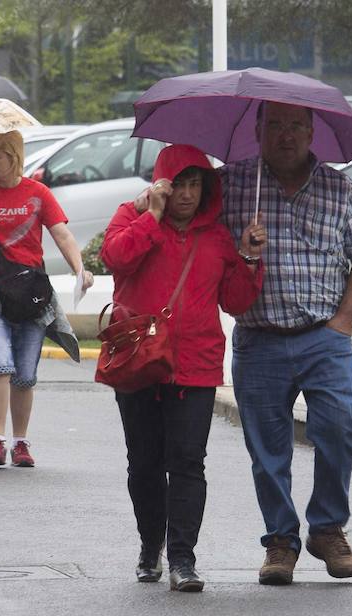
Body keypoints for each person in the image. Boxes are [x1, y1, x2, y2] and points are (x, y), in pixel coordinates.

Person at [223, 101, 352, 584]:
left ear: (312, 131)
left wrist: (344, 322)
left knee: (340, 425)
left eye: (296, 126)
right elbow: (187, 220)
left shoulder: (340, 187)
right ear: (258, 130)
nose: (286, 135)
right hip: (258, 338)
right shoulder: (232, 185)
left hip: (323, 337)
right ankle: (280, 542)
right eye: (275, 125)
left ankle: (328, 528)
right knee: (267, 450)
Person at [102, 144, 265, 592]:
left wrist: (249, 259)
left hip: (195, 364)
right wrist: (151, 217)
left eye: (197, 185)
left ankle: (183, 560)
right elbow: (115, 259)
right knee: (145, 464)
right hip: (139, 362)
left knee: (189, 462)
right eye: (180, 185)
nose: (188, 195)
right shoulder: (131, 217)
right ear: (162, 185)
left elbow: (234, 301)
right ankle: (149, 545)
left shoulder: (216, 237)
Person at [0, 130, 93, 468]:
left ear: (13, 158)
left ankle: (21, 442)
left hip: (31, 295)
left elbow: (60, 232)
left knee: (25, 374)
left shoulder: (38, 192)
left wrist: (80, 269)